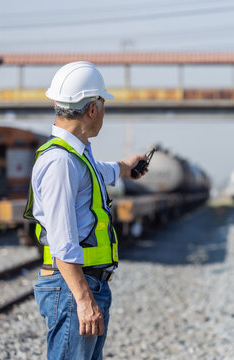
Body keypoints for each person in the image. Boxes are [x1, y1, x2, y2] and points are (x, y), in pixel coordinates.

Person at [24, 61, 148, 359]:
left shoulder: (77, 155)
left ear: (57, 103)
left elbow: (94, 172)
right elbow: (62, 242)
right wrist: (84, 300)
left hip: (83, 285)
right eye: (102, 103)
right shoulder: (61, 163)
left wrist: (124, 169)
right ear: (93, 109)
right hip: (72, 288)